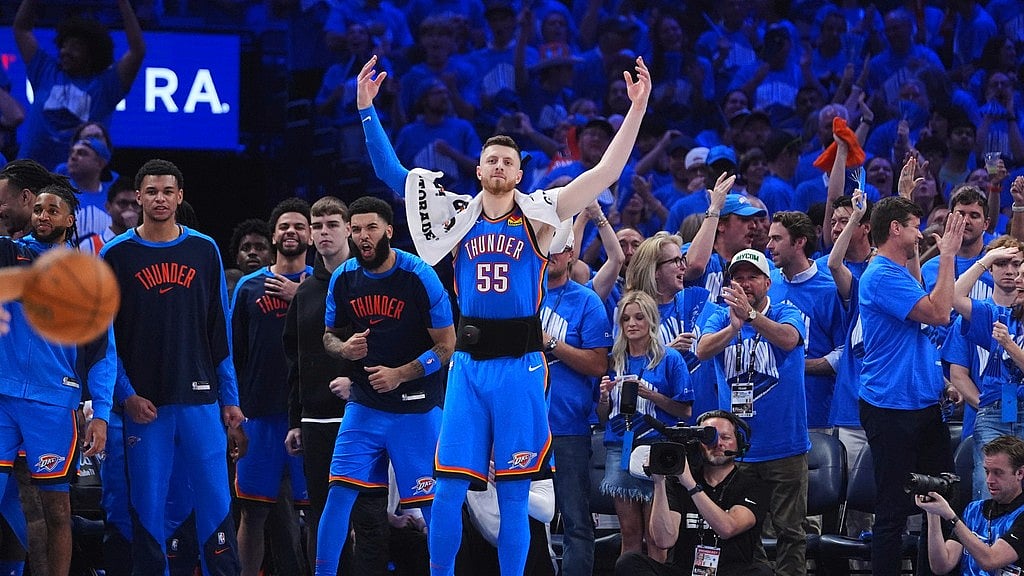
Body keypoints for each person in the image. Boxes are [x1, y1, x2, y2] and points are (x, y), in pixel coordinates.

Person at [356, 52, 650, 576]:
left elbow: (606, 171)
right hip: (468, 367)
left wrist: (638, 107)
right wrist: (366, 111)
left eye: (507, 162)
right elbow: (391, 173)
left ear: (520, 172)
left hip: (520, 367)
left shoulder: (542, 215)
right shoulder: (455, 215)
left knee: (515, 495)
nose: (498, 167)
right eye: (490, 160)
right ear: (478, 169)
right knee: (446, 489)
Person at [101, 159, 243, 575]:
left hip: (201, 399)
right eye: (151, 191)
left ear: (180, 197)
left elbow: (220, 331)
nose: (159, 199)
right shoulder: (116, 255)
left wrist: (230, 398)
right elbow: (106, 339)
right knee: (146, 509)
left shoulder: (205, 249)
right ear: (139, 197)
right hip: (146, 405)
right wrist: (125, 395)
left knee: (217, 506)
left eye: (167, 192)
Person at [315, 196, 456, 575]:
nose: (363, 236)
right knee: (339, 493)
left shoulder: (419, 275)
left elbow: (447, 345)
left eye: (371, 228)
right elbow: (328, 336)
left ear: (389, 231)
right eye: (357, 229)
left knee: (430, 504)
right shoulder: (344, 278)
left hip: (416, 405)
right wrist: (343, 347)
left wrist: (401, 373)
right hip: (364, 405)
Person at [0, 183, 113, 576]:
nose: (43, 216)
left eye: (53, 210)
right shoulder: (12, 252)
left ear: (70, 220)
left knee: (57, 510)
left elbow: (102, 353)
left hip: (54, 402)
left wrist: (101, 412)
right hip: (4, 395)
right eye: (38, 209)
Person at [857, 195, 966, 576]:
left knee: (943, 499)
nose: (921, 233)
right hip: (890, 407)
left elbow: (918, 326)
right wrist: (948, 253)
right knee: (893, 509)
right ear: (895, 229)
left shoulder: (898, 272)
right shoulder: (881, 275)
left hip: (921, 404)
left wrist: (938, 381)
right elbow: (938, 312)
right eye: (915, 225)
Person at [284, 196, 391, 574]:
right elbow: (296, 360)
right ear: (311, 235)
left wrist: (358, 381)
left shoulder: (375, 277)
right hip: (315, 420)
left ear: (349, 229)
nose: (324, 232)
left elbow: (396, 341)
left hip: (367, 414)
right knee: (321, 516)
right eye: (318, 226)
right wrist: (296, 419)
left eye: (332, 224)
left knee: (369, 517)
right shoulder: (306, 293)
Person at [696, 248, 809, 576]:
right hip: (738, 450)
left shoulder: (787, 311)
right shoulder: (719, 316)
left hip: (784, 445)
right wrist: (734, 328)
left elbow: (789, 340)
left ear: (767, 282)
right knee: (745, 534)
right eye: (738, 277)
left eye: (753, 277)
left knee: (791, 532)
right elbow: (702, 350)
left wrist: (753, 318)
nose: (745, 284)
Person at [232, 198, 313, 576]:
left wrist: (303, 299)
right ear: (274, 234)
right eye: (284, 226)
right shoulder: (248, 286)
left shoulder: (325, 284)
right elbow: (233, 355)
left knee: (317, 512)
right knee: (253, 510)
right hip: (259, 416)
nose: (291, 232)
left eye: (299, 225)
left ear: (311, 235)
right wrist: (233, 414)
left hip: (312, 415)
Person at [615, 410, 773, 576]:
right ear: (698, 444)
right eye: (709, 438)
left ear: (739, 443)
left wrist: (690, 484)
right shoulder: (677, 483)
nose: (718, 443)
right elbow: (664, 540)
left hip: (730, 571)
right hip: (683, 570)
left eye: (725, 437)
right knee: (629, 562)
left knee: (762, 572)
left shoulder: (753, 485)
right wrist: (659, 481)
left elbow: (727, 528)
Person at [598, 290, 693, 560]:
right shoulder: (614, 360)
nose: (632, 323)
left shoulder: (670, 359)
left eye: (639, 317)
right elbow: (603, 417)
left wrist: (650, 395)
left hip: (656, 449)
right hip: (620, 449)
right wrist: (604, 397)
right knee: (629, 533)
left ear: (651, 320)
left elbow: (685, 411)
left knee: (656, 537)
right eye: (626, 318)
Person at [539, 234, 611, 576]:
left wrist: (551, 343)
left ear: (570, 254)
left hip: (569, 428)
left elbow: (599, 365)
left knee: (576, 520)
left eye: (557, 249)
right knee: (518, 516)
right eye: (544, 248)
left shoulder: (587, 302)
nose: (550, 255)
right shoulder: (521, 298)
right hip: (525, 426)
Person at [13, 0, 145, 169]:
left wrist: (123, 4)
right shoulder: (45, 70)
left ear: (92, 54)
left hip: (74, 184)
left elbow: (137, 51)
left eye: (74, 47)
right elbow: (21, 29)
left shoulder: (105, 87)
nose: (65, 52)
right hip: (27, 177)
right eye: (63, 46)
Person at [944, 237, 1024, 498]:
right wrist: (985, 259)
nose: (1011, 272)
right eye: (1002, 263)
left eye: (1017, 264)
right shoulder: (990, 314)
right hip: (993, 411)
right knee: (988, 493)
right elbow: (953, 297)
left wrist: (1009, 345)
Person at [766, 211, 845, 431]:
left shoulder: (830, 289)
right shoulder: (767, 283)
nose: (769, 246)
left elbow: (844, 352)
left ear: (799, 242)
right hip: (770, 409)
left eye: (777, 239)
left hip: (815, 412)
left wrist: (798, 366)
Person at [916, 435, 1024, 576]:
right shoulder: (974, 510)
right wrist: (933, 514)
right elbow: (942, 566)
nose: (990, 480)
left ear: (1020, 473)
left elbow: (991, 560)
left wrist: (951, 517)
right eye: (987, 471)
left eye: (998, 473)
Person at [77, 177, 139, 255]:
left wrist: (134, 234)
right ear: (108, 207)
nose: (130, 209)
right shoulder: (88, 246)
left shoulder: (148, 243)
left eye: (135, 204)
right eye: (123, 203)